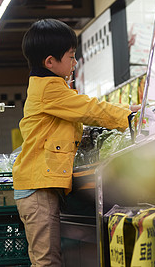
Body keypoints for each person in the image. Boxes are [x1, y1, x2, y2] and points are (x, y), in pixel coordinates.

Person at [12, 18, 140, 266]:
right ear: (50, 62)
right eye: (71, 56)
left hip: (39, 185)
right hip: (37, 189)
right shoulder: (49, 89)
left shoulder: (49, 86)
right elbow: (90, 109)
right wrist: (130, 116)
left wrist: (129, 109)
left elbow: (85, 109)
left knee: (48, 259)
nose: (75, 62)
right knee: (46, 261)